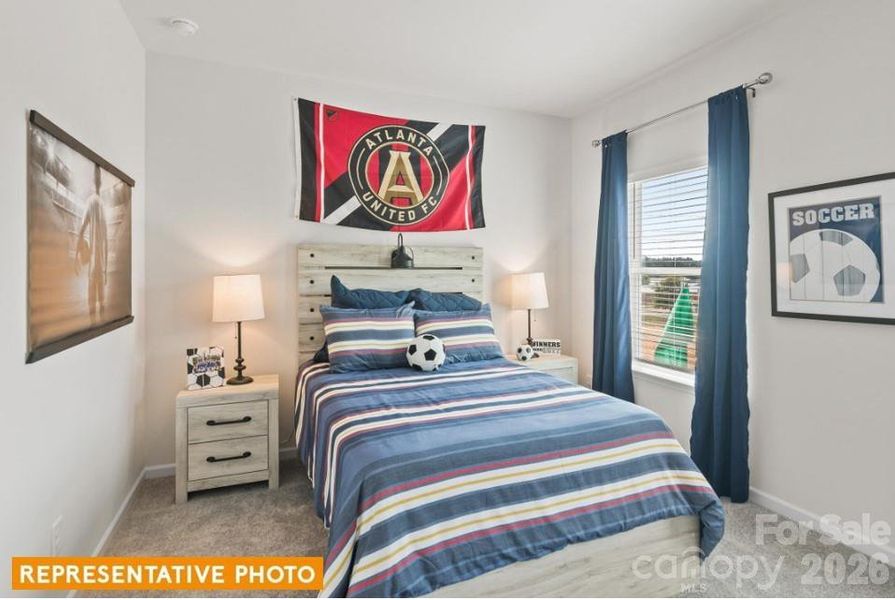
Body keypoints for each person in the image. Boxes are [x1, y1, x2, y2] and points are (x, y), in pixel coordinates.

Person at [76, 165, 108, 324]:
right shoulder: (102, 206)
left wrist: (76, 255)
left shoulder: (91, 202)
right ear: (100, 181)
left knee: (93, 304)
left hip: (95, 266)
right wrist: (106, 268)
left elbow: (81, 230)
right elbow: (107, 242)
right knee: (100, 304)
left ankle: (95, 330)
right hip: (100, 266)